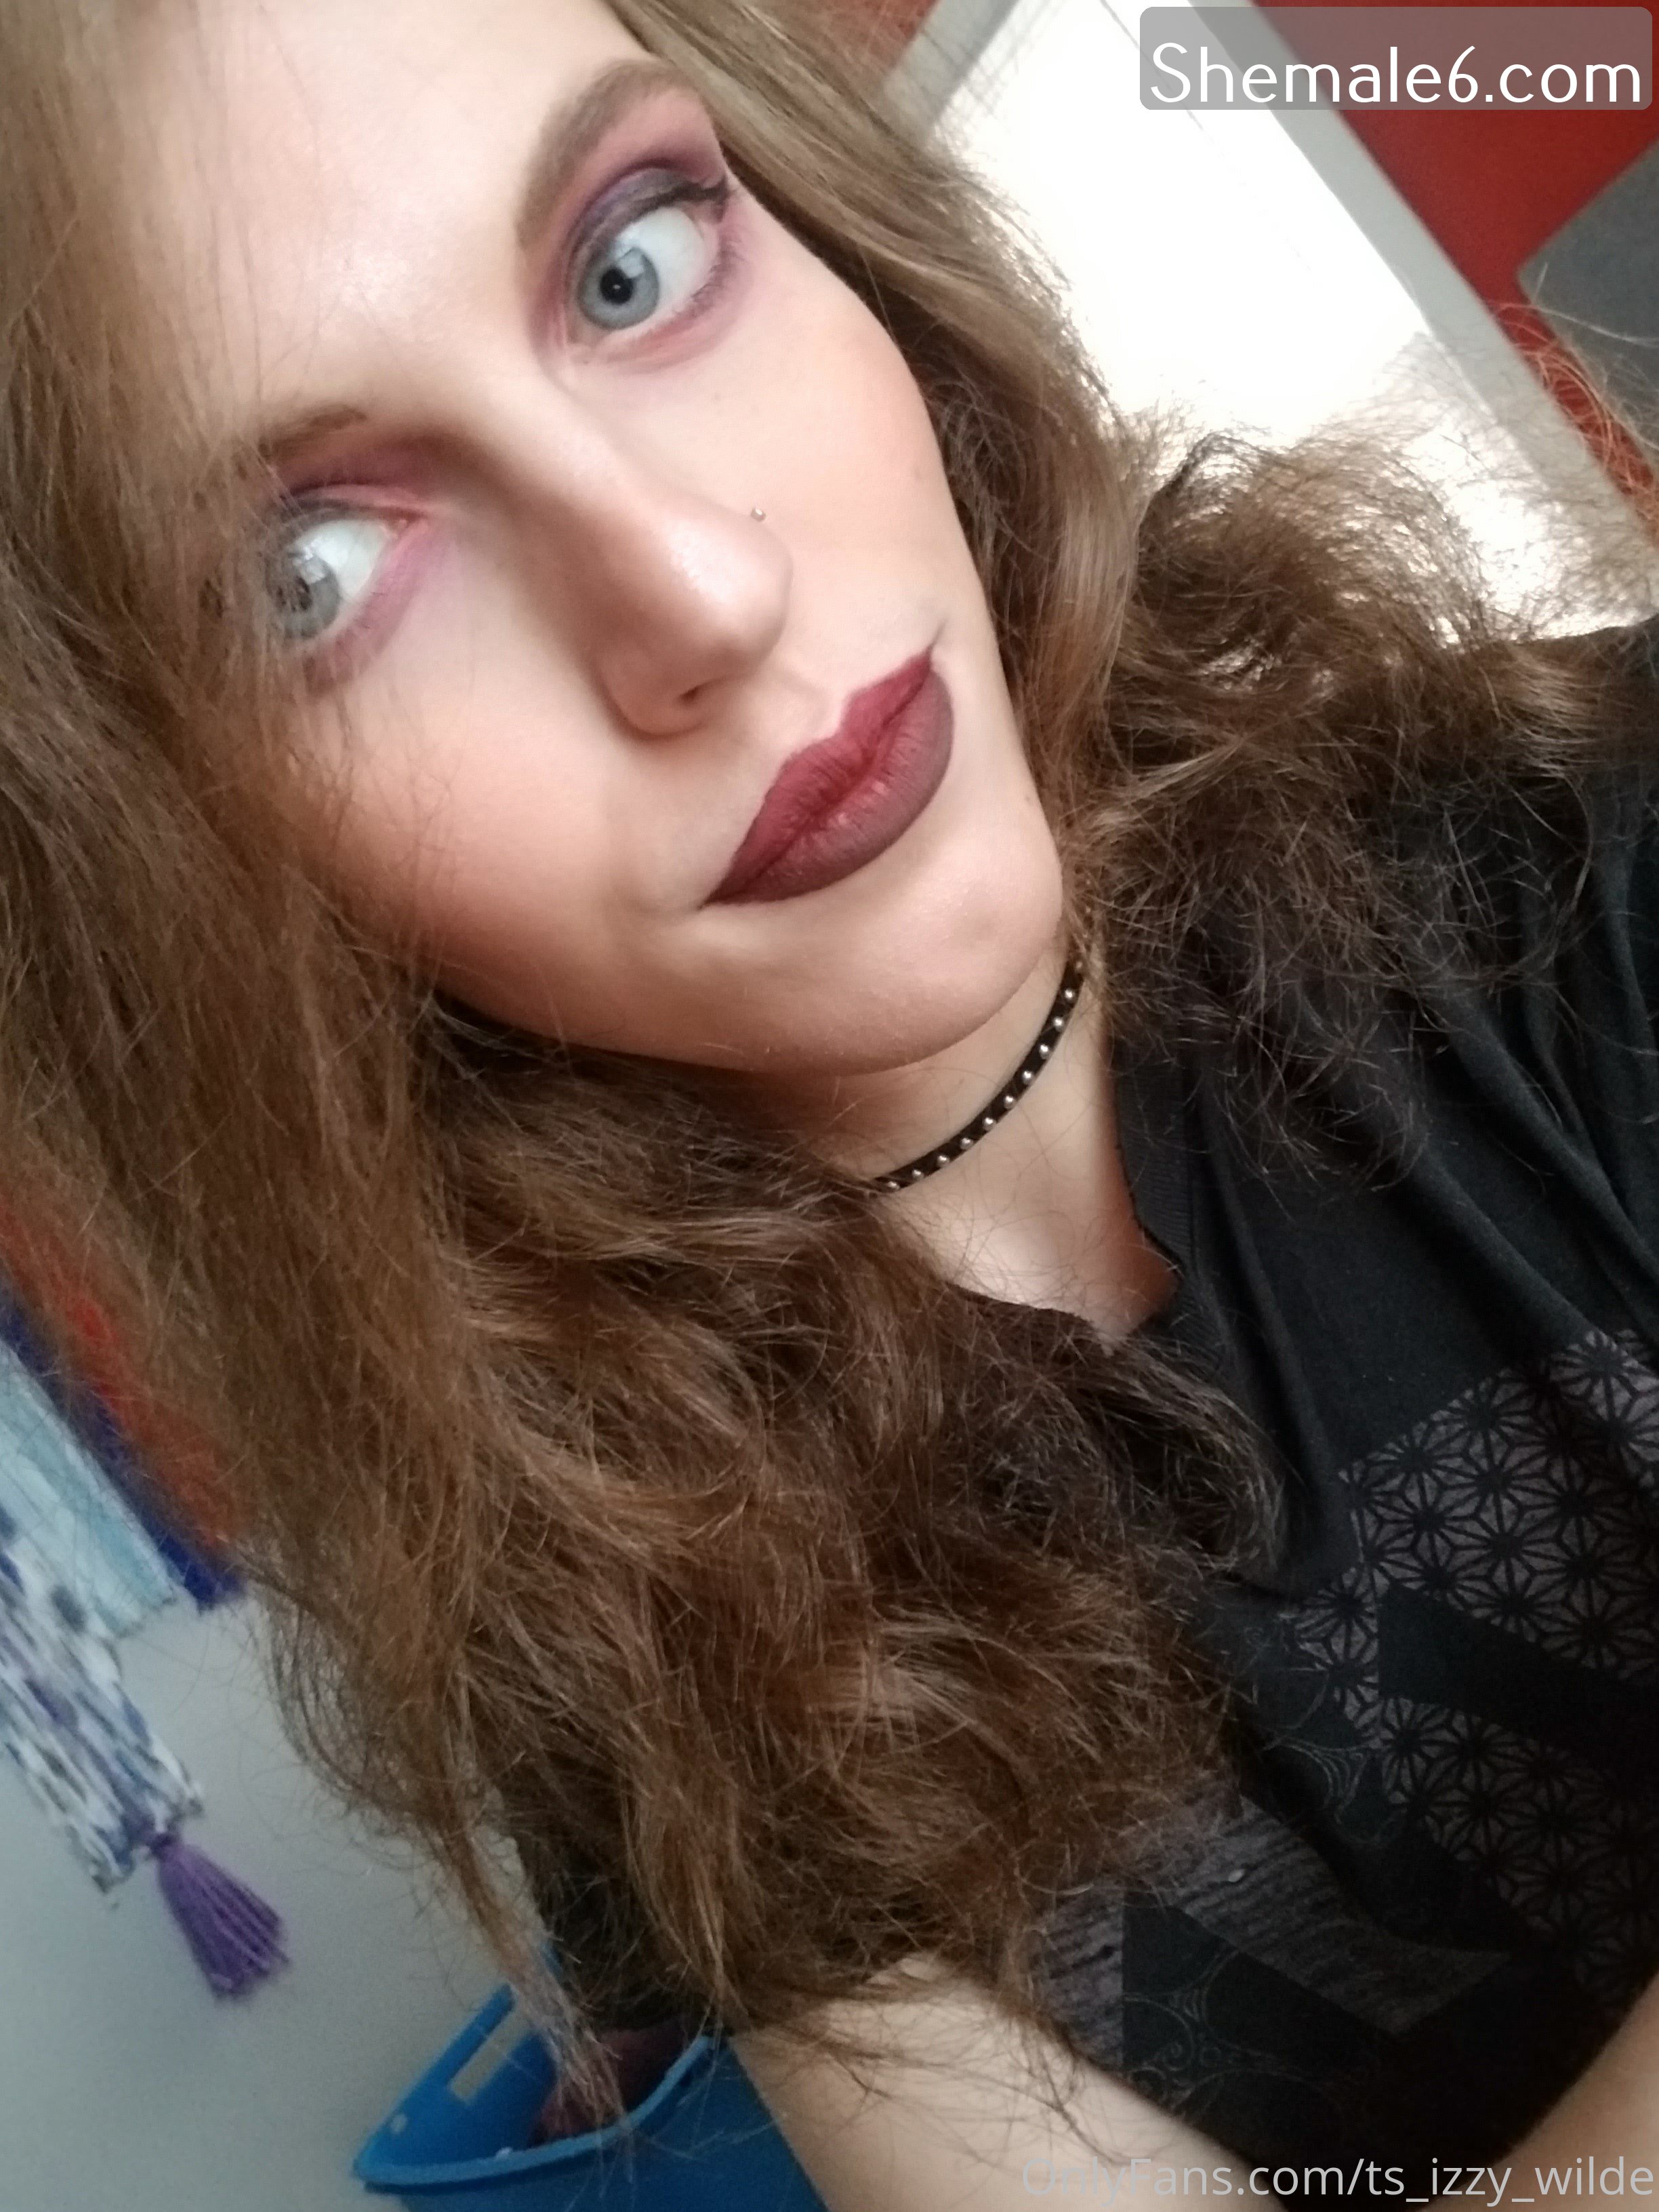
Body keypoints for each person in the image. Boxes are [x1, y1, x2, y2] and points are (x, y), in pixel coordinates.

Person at [3, 0, 1658, 2200]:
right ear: (171, 873)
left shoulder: (1585, 856)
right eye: (303, 576)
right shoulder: (611, 1592)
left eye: (632, 262)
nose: (705, 585)